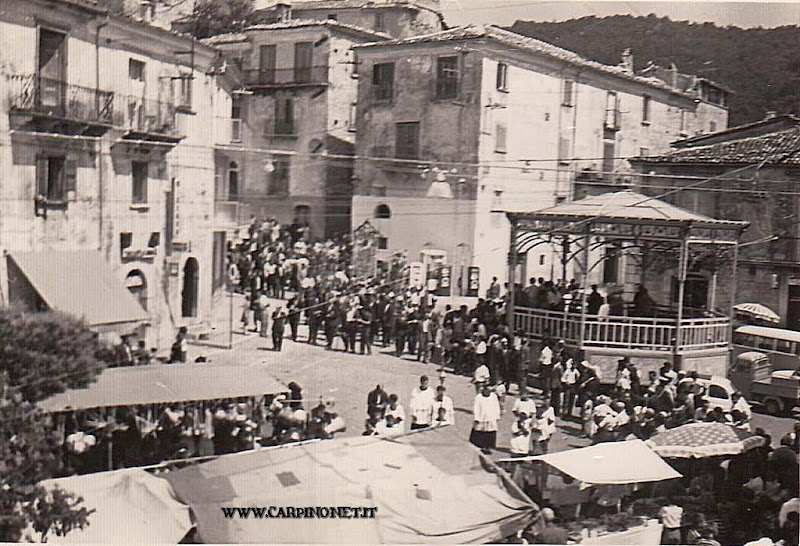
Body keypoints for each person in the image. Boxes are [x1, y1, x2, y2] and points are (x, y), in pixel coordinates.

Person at [471, 383, 501, 453]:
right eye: (486, 390)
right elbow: (476, 407)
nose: (488, 392)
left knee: (490, 432)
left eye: (489, 390)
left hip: (491, 417)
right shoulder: (478, 397)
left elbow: (496, 407)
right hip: (482, 417)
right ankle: (481, 445)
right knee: (481, 431)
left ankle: (488, 446)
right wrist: (477, 417)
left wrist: (497, 416)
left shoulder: (493, 396)